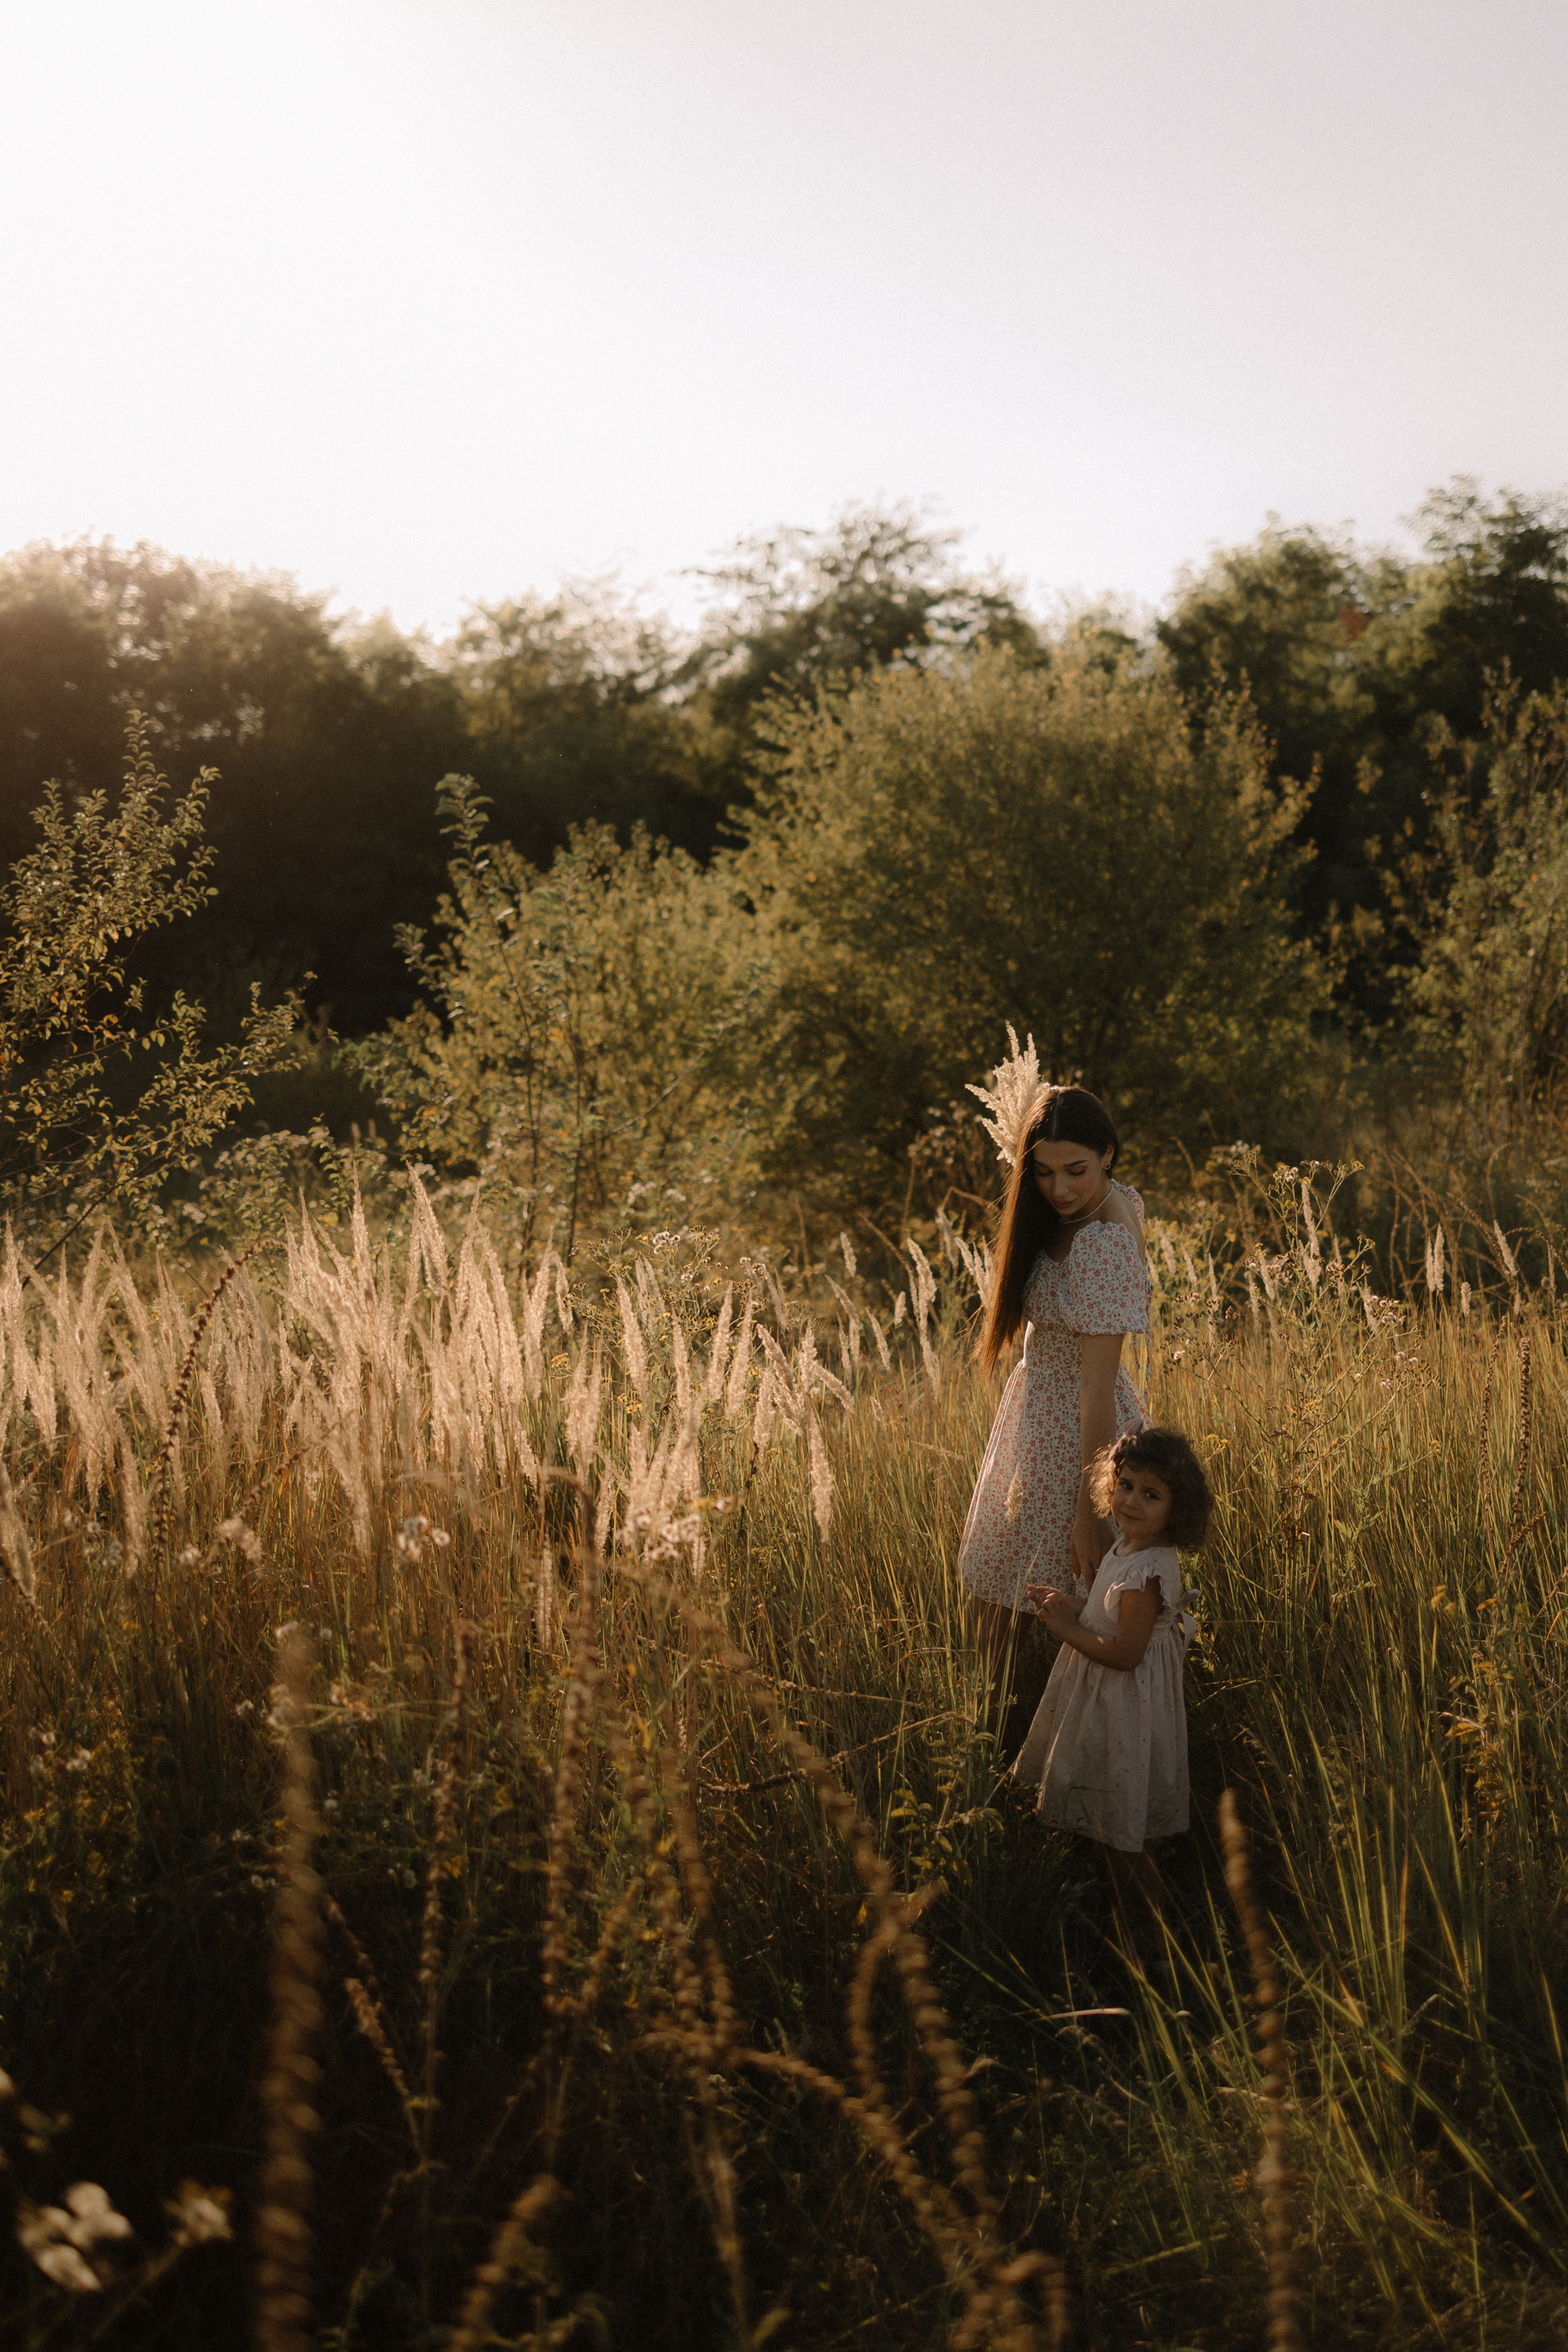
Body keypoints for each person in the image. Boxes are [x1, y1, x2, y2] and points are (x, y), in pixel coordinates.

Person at [957, 1083, 1149, 1722]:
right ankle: (994, 1732)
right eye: (1041, 1172)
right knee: (1002, 1596)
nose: (1058, 1188)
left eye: (1076, 1170)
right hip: (1039, 1421)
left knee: (1024, 1602)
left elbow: (1096, 1387)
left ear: (1108, 1154)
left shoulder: (1105, 1242)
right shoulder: (1095, 1210)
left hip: (1076, 1435)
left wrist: (1092, 1508)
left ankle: (1008, 1737)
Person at [1014, 1425, 1213, 1953]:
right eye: (1125, 1485)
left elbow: (1126, 1652)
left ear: (1178, 1509)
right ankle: (1129, 1924)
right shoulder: (1128, 1548)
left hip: (1127, 1706)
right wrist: (1073, 1606)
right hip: (1110, 1703)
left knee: (1126, 1834)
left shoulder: (1148, 1569)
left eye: (1151, 1495)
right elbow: (1111, 1615)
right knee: (1112, 1824)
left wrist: (1065, 1630)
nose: (1131, 1502)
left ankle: (1152, 1938)